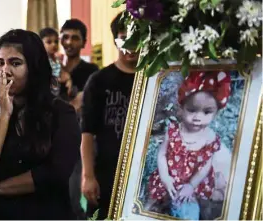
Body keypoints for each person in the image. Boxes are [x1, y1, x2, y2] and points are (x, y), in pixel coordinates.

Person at [0, 29, 81, 219]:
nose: (4, 71)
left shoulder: (60, 112)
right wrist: (4, 114)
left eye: (15, 63)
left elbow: (56, 173)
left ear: (34, 69)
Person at [146, 71, 231, 220]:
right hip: (169, 180)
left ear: (216, 113)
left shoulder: (209, 137)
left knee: (189, 211)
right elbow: (162, 154)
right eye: (192, 110)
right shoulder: (173, 131)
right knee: (153, 209)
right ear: (181, 108)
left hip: (194, 183)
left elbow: (205, 166)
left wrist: (191, 185)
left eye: (206, 112)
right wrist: (165, 178)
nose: (197, 117)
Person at [80, 12, 139, 219]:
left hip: (144, 174)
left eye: (136, 37)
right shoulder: (98, 81)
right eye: (124, 38)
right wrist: (88, 176)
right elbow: (86, 133)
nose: (131, 45)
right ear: (116, 40)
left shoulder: (153, 80)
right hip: (108, 173)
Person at [59, 19, 98, 112]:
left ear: (84, 42)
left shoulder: (91, 71)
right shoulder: (54, 69)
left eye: (75, 38)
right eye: (65, 37)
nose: (69, 42)